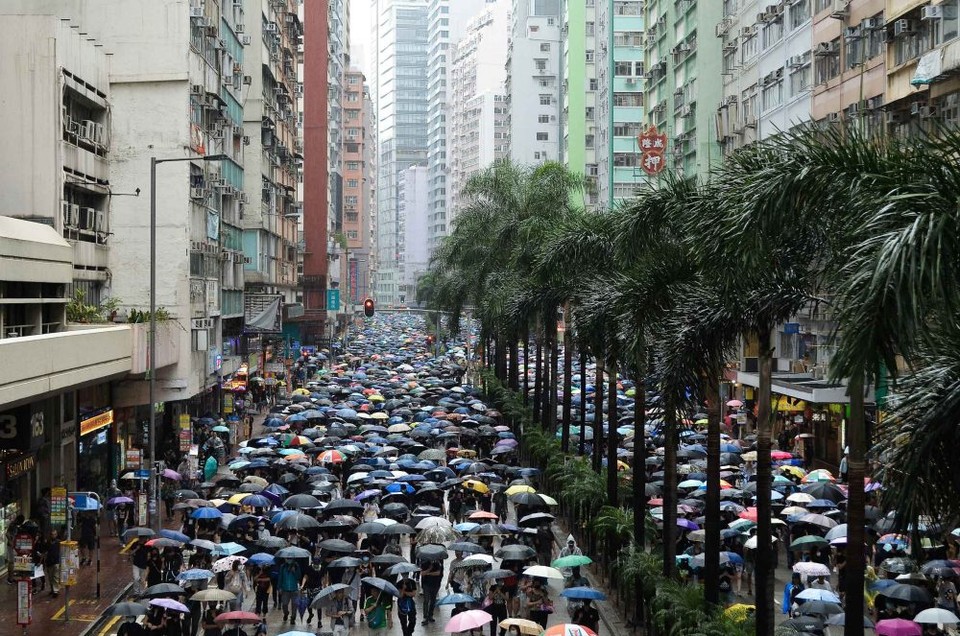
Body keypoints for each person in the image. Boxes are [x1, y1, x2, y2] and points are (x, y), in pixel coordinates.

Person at [277, 558, 301, 624]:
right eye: (287, 558)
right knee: (284, 604)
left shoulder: (296, 566)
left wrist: (294, 571)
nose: (289, 560)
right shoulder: (283, 567)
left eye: (290, 558)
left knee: (294, 605)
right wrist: (279, 587)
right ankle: (286, 613)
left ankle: (293, 618)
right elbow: (280, 577)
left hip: (294, 589)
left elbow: (299, 577)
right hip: (285, 589)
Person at [420, 557, 443, 625]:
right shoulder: (424, 563)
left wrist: (428, 573)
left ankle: (430, 615)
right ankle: (425, 617)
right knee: (426, 600)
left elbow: (438, 573)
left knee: (433, 600)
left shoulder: (438, 563)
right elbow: (422, 573)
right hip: (426, 584)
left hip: (435, 584)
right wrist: (429, 569)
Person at [396, 571, 418, 636]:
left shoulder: (412, 582)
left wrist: (406, 593)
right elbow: (400, 595)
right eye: (403, 574)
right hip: (401, 604)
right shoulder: (399, 583)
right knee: (403, 623)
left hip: (410, 603)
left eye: (406, 574)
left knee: (413, 620)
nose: (405, 575)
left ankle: (409, 633)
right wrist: (403, 589)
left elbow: (413, 594)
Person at [6, 514, 24, 584]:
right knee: (11, 562)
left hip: (14, 546)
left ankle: (11, 578)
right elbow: (7, 533)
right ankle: (10, 579)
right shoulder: (13, 524)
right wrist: (11, 542)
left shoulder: (16, 525)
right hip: (11, 546)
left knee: (12, 562)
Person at [46, 528, 61, 597]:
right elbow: (45, 552)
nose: (53, 536)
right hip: (49, 562)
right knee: (50, 577)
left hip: (56, 561)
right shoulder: (48, 542)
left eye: (54, 534)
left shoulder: (58, 542)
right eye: (52, 534)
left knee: (55, 576)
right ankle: (53, 589)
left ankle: (55, 591)